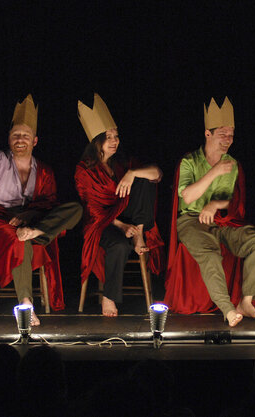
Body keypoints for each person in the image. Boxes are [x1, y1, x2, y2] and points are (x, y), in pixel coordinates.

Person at [0, 94, 82, 325]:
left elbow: (49, 203)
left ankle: (36, 231)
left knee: (75, 209)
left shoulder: (44, 170)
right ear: (9, 140)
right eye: (15, 135)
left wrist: (29, 217)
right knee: (21, 238)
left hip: (32, 220)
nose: (20, 139)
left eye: (25, 135)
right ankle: (26, 304)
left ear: (35, 141)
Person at [164, 97, 255, 327]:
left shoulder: (230, 163)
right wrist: (214, 172)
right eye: (222, 134)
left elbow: (225, 198)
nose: (228, 140)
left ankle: (246, 301)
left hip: (220, 221)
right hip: (190, 220)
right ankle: (227, 308)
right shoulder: (189, 161)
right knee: (211, 252)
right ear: (207, 134)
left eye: (231, 135)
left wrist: (214, 205)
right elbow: (187, 196)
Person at [75, 94, 164, 316]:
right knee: (119, 246)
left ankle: (140, 233)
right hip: (103, 224)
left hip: (131, 217)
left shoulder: (123, 163)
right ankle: (109, 297)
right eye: (108, 137)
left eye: (116, 136)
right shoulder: (84, 169)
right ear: (96, 141)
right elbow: (92, 210)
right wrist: (122, 226)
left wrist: (132, 173)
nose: (115, 141)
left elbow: (157, 174)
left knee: (145, 177)